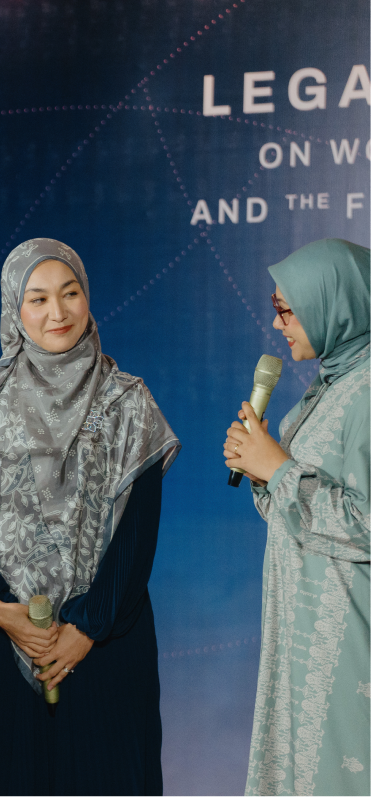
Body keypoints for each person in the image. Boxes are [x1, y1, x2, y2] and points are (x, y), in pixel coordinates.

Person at [0, 238, 180, 797]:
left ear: (87, 298)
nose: (57, 312)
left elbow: (137, 539)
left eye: (70, 294)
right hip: (4, 644)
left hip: (107, 649)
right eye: (38, 298)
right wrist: (3, 610)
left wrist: (85, 629)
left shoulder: (129, 402)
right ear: (14, 311)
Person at [223, 238, 371, 796]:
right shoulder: (332, 385)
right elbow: (303, 510)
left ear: (334, 302)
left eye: (288, 309)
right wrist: (263, 471)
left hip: (348, 638)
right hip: (304, 631)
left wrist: (279, 470)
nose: (279, 323)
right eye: (275, 307)